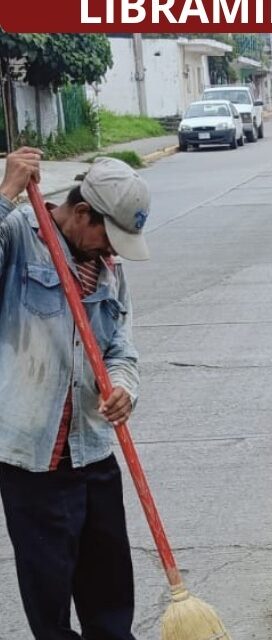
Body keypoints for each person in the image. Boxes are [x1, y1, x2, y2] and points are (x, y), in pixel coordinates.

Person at [0, 149, 151, 639]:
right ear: (83, 213)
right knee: (50, 605)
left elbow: (121, 347)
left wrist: (124, 387)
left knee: (110, 599)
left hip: (92, 452)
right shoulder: (22, 234)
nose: (113, 254)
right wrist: (4, 194)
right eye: (109, 238)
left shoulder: (107, 267)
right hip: (33, 462)